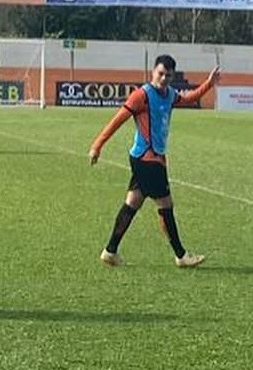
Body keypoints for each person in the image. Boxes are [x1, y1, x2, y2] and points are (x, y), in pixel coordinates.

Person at [88, 55, 220, 268]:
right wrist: (97, 145)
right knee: (165, 205)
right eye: (160, 74)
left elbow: (188, 99)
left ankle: (110, 251)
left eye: (168, 75)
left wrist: (209, 84)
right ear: (153, 72)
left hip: (151, 158)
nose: (164, 79)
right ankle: (181, 255)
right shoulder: (142, 96)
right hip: (147, 159)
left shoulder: (169, 95)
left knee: (132, 203)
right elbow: (117, 120)